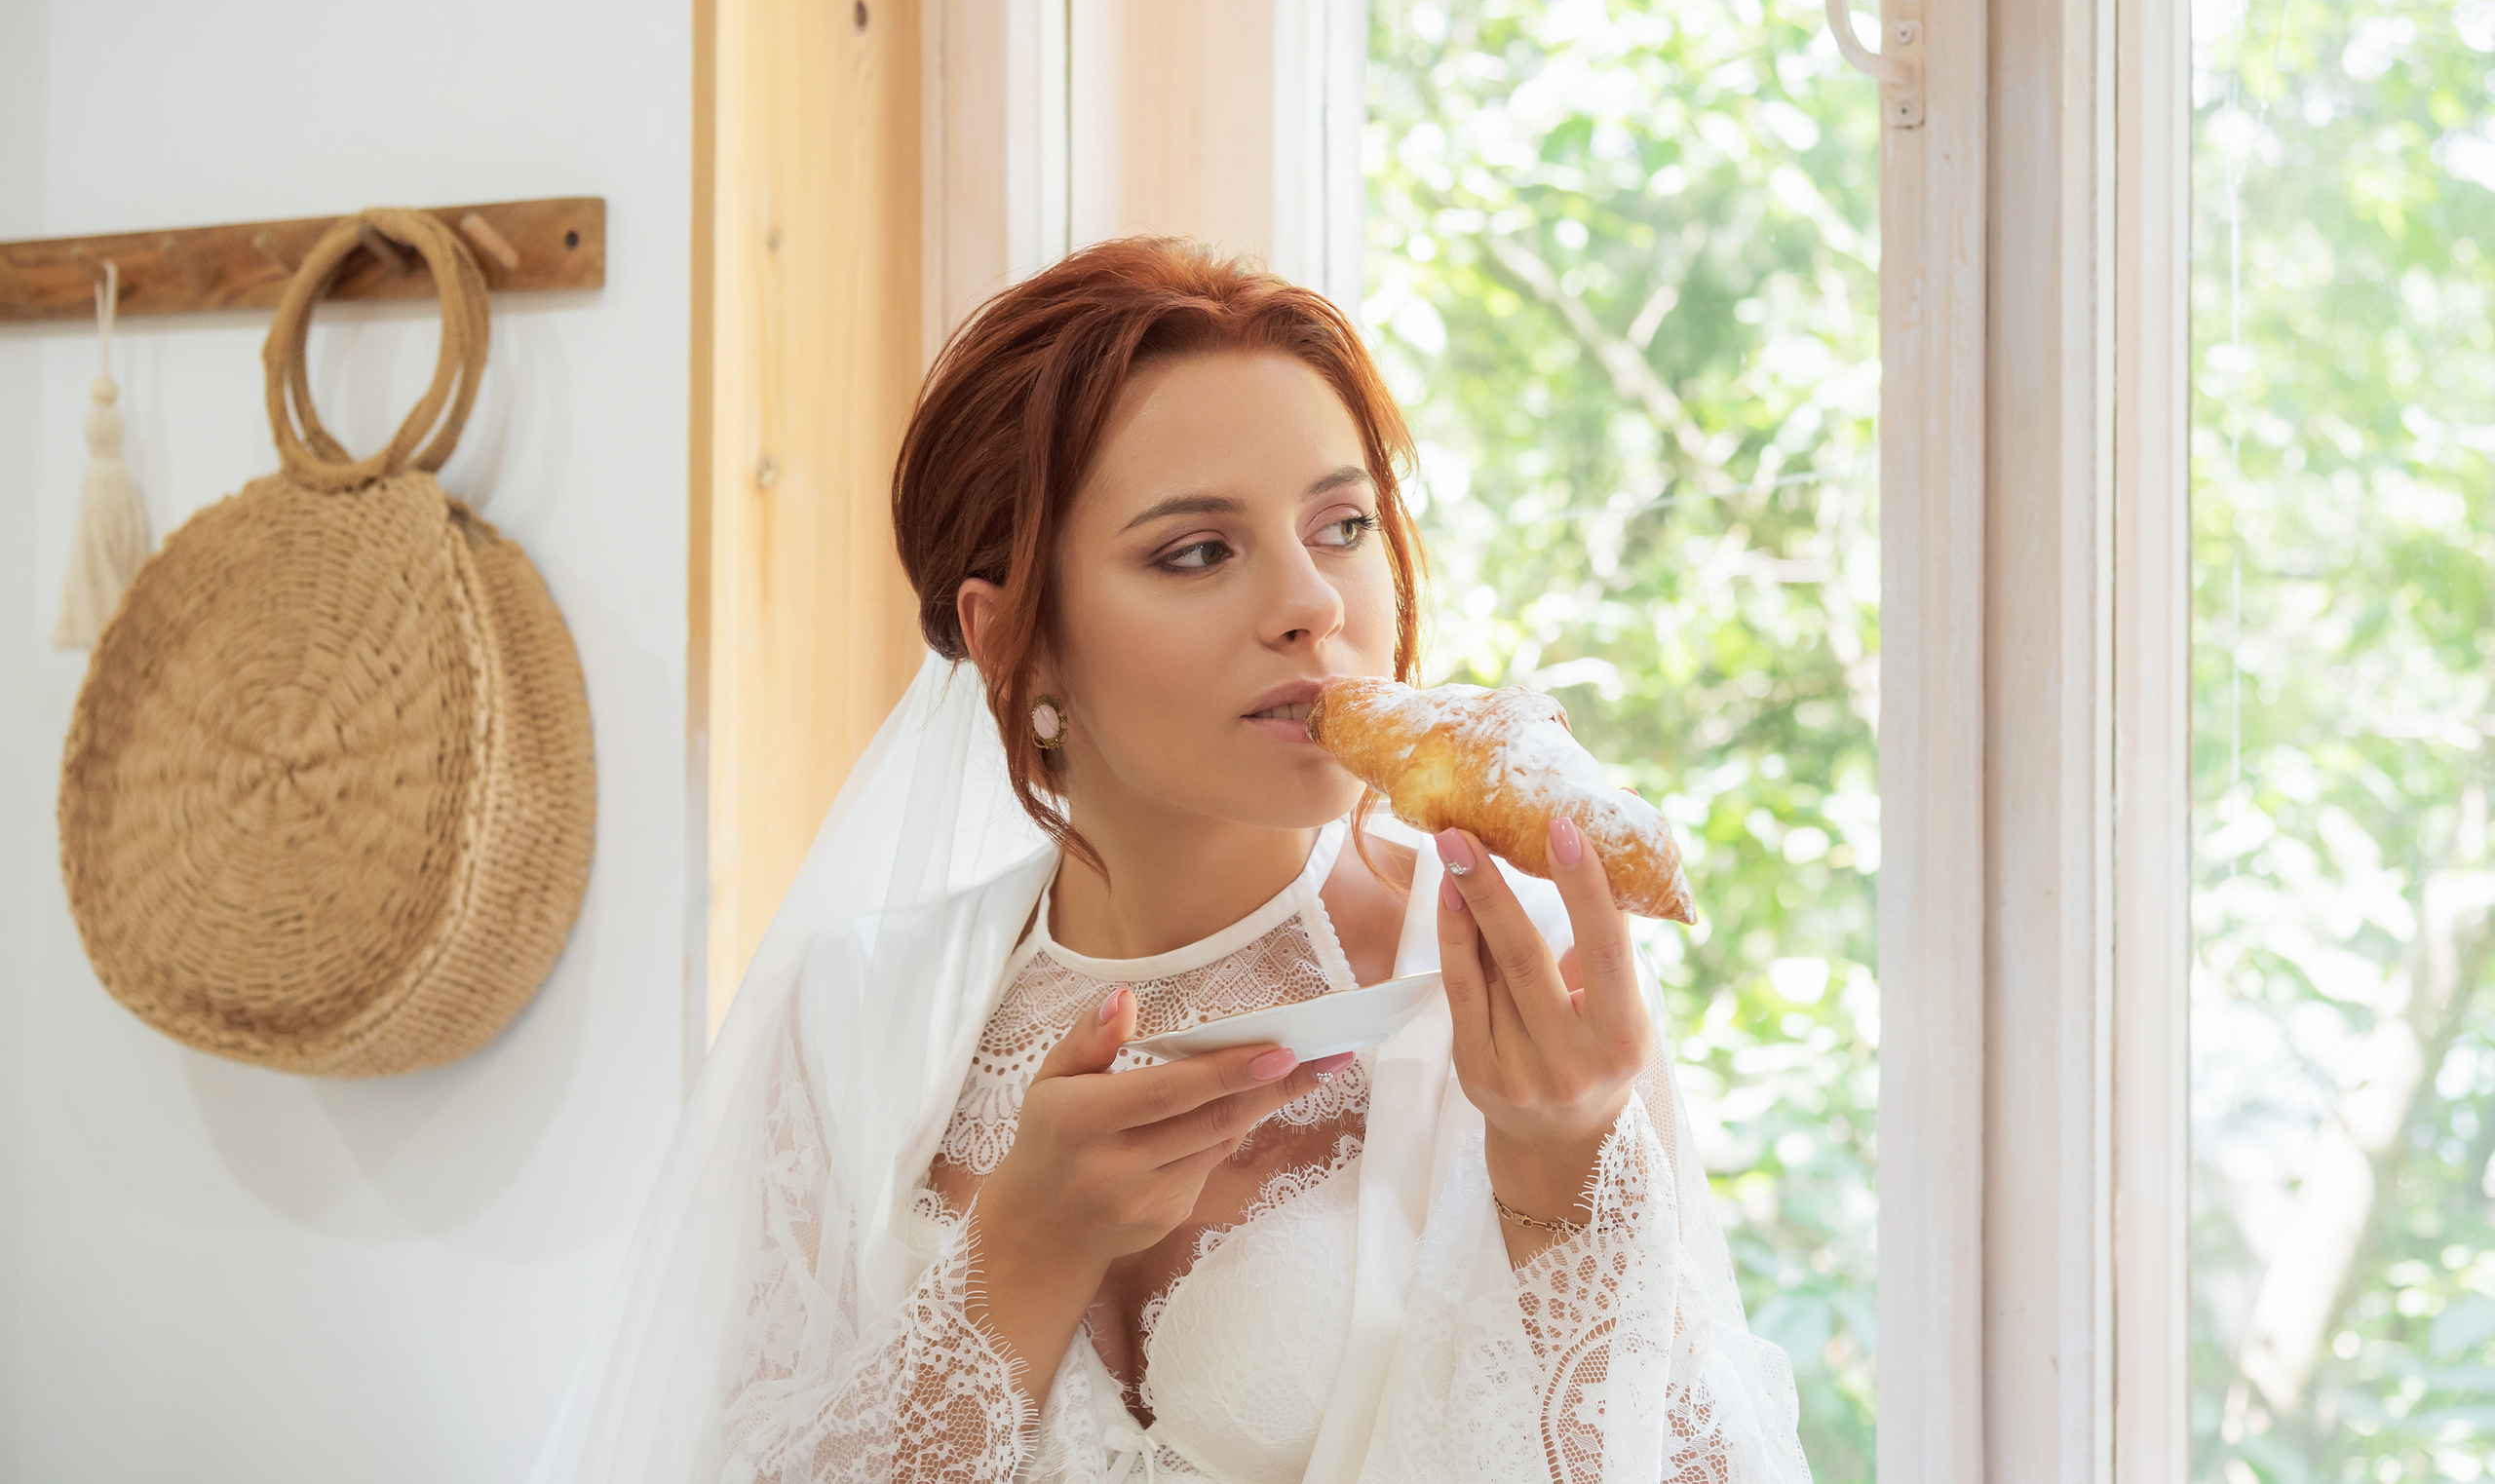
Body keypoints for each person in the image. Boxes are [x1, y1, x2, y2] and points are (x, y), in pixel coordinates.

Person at [534, 239, 1811, 1484]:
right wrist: (1019, 1255)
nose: (1311, 602)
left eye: (1344, 522)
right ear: (1014, 643)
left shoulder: (1516, 979)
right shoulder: (858, 1014)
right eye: (1197, 550)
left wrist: (1564, 1170)